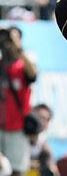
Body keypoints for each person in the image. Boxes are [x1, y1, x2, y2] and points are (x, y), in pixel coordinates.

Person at [0, 26, 37, 176]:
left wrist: (18, 48)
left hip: (18, 128)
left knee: (16, 171)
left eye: (13, 38)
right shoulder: (1, 64)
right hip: (1, 127)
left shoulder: (23, 65)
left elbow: (33, 74)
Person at [27, 104, 60, 176]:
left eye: (45, 119)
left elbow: (49, 162)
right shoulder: (20, 136)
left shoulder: (42, 140)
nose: (41, 122)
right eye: (39, 117)